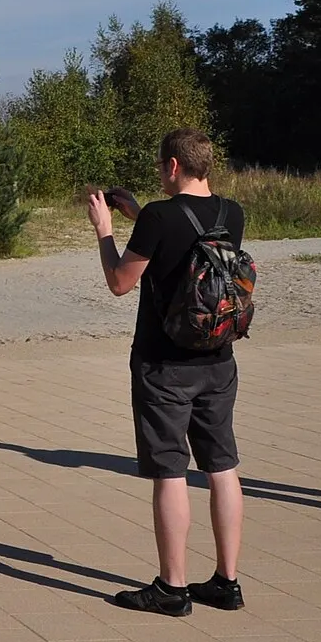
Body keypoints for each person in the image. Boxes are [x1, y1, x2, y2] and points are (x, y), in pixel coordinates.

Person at [86, 128, 247, 616]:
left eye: (161, 166)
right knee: (222, 466)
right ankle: (226, 581)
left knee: (170, 470)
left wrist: (105, 229)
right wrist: (139, 213)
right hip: (218, 358)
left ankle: (171, 588)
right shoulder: (231, 213)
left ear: (173, 166)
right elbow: (187, 238)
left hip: (164, 363)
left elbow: (120, 282)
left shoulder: (159, 216)